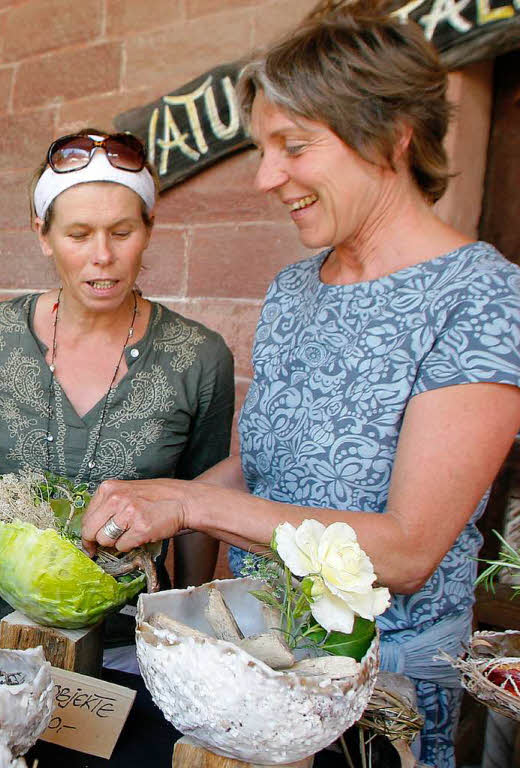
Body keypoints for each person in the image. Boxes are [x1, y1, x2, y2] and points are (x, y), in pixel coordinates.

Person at [79, 5, 520, 766]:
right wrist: (153, 500)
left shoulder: (481, 297)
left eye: (294, 146)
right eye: (260, 148)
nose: (266, 177)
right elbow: (263, 465)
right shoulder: (294, 288)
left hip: (376, 702)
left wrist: (191, 503)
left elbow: (410, 549)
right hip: (254, 671)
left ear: (391, 133)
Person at [0, 129, 235, 670]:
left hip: (124, 645)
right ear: (43, 234)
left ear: (149, 230)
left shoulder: (199, 357)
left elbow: (201, 507)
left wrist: (190, 630)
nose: (102, 257)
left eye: (122, 231)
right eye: (79, 234)